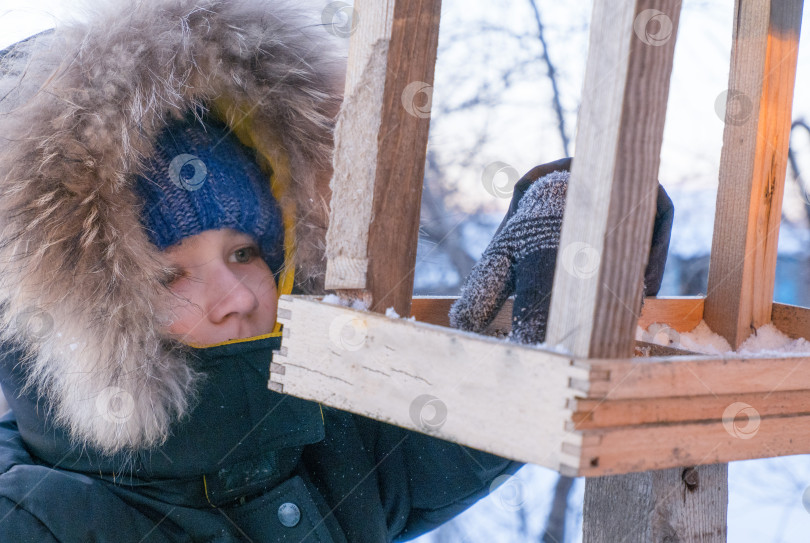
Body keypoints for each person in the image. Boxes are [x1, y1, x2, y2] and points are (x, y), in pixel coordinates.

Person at [0, 1, 673, 541]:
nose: (235, 296)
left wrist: (585, 218)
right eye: (167, 275)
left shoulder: (323, 438)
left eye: (245, 252)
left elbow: (497, 400)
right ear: (71, 318)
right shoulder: (43, 518)